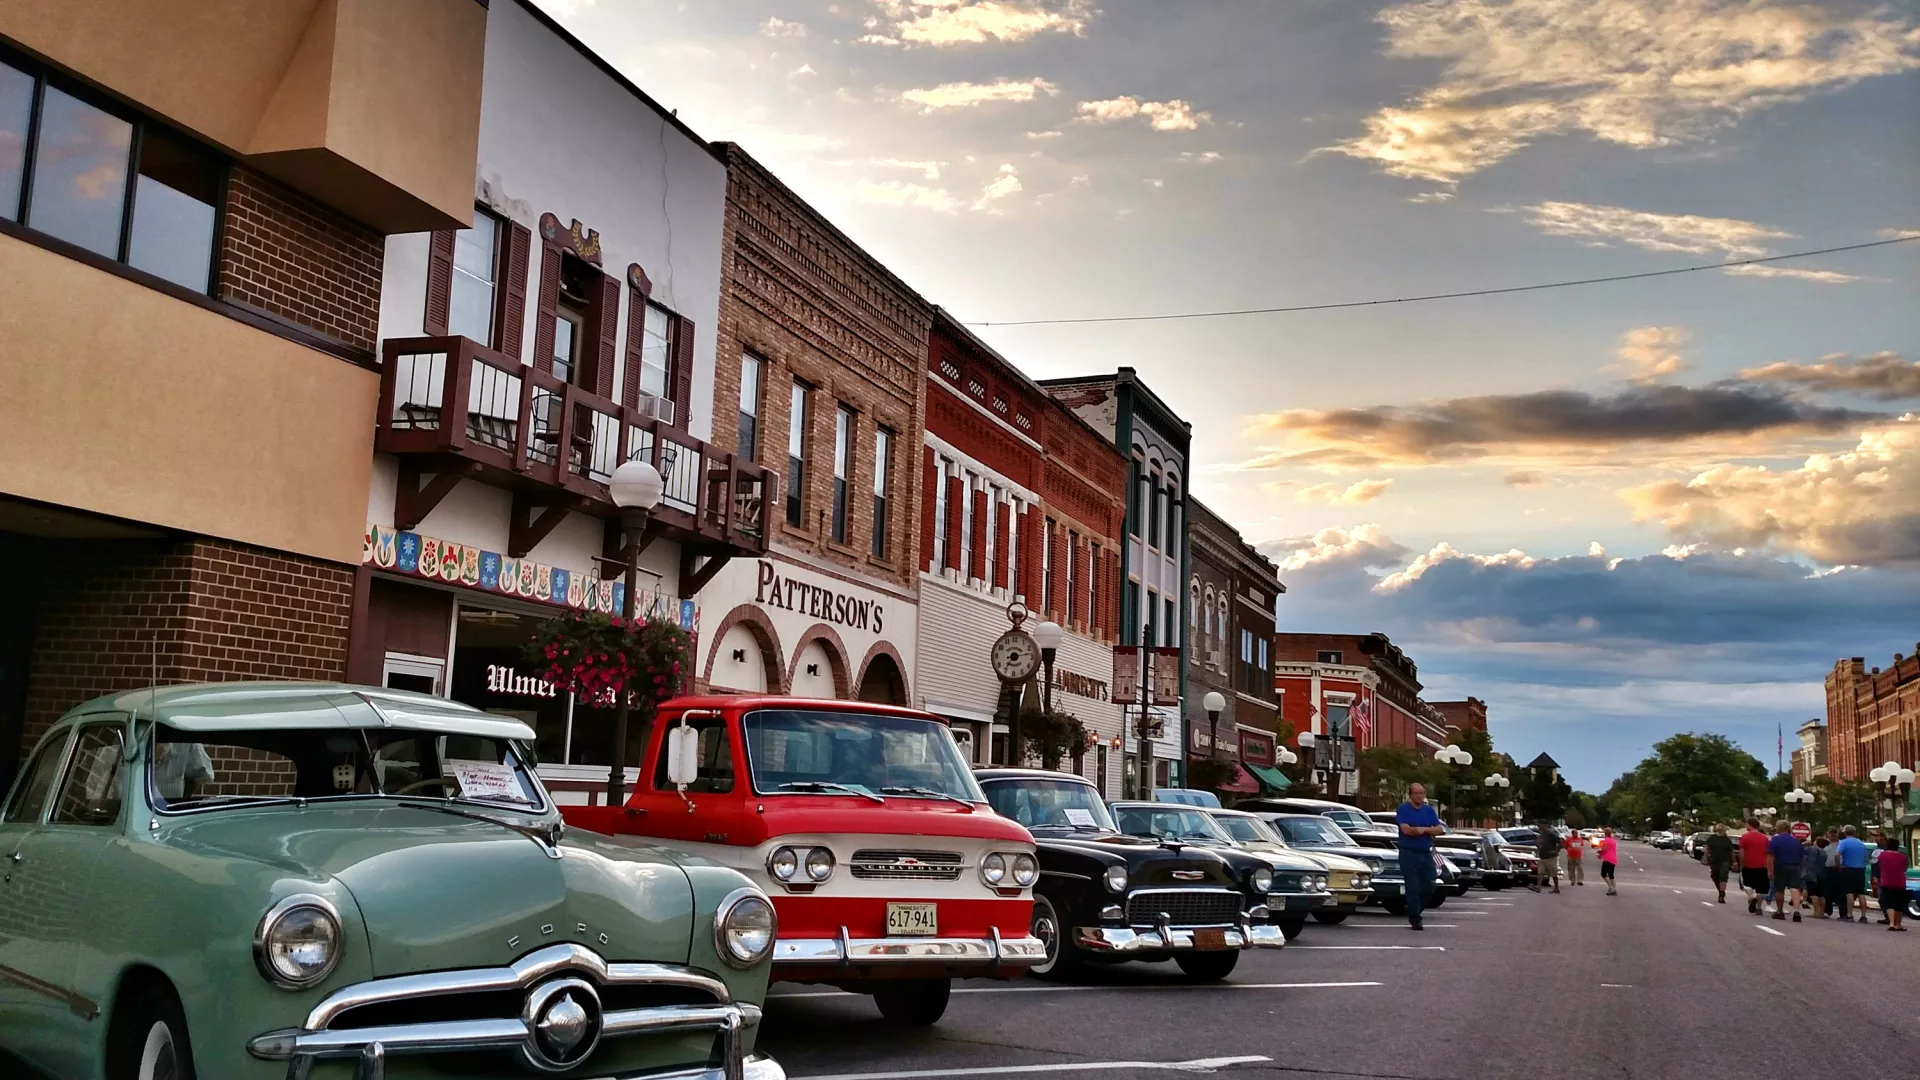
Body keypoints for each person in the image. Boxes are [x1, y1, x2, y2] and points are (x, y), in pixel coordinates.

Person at [1394, 783, 1445, 931]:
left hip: (1426, 853)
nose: (1420, 796)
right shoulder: (1403, 809)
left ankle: (1413, 908)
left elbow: (1440, 829)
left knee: (1429, 885)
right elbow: (1407, 830)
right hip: (1408, 853)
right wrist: (1428, 830)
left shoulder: (1429, 810)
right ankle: (1415, 918)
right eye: (1416, 793)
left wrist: (1422, 830)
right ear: (1410, 795)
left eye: (1422, 793)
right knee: (1413, 886)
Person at [1766, 820, 1805, 922]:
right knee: (1795, 888)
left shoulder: (1775, 840)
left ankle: (1780, 911)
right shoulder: (1796, 841)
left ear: (1779, 828)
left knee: (1779, 889)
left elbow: (1770, 856)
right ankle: (1796, 911)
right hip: (1795, 866)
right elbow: (1802, 856)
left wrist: (1770, 870)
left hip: (1780, 866)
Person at [1835, 825, 1871, 923]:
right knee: (1861, 893)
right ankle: (1864, 916)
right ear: (1854, 832)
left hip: (1849, 869)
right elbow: (1866, 857)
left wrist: (1839, 865)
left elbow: (1837, 854)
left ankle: (1850, 915)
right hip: (1860, 869)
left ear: (1845, 832)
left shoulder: (1844, 842)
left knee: (1849, 892)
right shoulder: (1861, 843)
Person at [1877, 836, 1908, 932]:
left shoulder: (1882, 855)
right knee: (1899, 904)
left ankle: (1891, 923)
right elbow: (1905, 868)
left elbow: (1880, 866)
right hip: (1900, 883)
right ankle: (1898, 924)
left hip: (1886, 882)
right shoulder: (1903, 857)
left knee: (1889, 904)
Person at [1704, 824, 1734, 903]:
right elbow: (1707, 849)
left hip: (1725, 861)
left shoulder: (1727, 839)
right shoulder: (1712, 838)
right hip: (1714, 861)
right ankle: (1721, 891)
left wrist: (1734, 862)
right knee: (1714, 876)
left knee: (1723, 877)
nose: (1720, 829)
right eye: (1719, 828)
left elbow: (1731, 852)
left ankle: (1721, 894)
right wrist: (1705, 858)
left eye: (1722, 828)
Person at [1534, 824, 1563, 894]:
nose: (1539, 828)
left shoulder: (1551, 834)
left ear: (1544, 826)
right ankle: (1538, 887)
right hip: (1542, 856)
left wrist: (1556, 851)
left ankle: (1556, 888)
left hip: (1551, 857)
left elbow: (1561, 841)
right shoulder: (1541, 835)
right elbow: (1539, 843)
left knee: (1553, 873)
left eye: (1540, 826)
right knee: (1540, 872)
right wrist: (1538, 845)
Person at [1804, 835, 1829, 917]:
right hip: (1822, 874)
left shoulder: (1812, 849)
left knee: (1813, 893)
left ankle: (1816, 912)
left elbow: (1801, 850)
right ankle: (1822, 912)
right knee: (1821, 894)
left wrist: (1805, 843)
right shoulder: (1824, 852)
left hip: (1812, 874)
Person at [1597, 827, 1619, 895]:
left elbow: (1605, 849)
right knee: (1611, 875)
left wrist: (1599, 851)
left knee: (1603, 874)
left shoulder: (1606, 840)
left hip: (1607, 859)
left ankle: (1611, 887)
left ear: (1605, 833)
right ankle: (1614, 889)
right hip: (1613, 859)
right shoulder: (1613, 840)